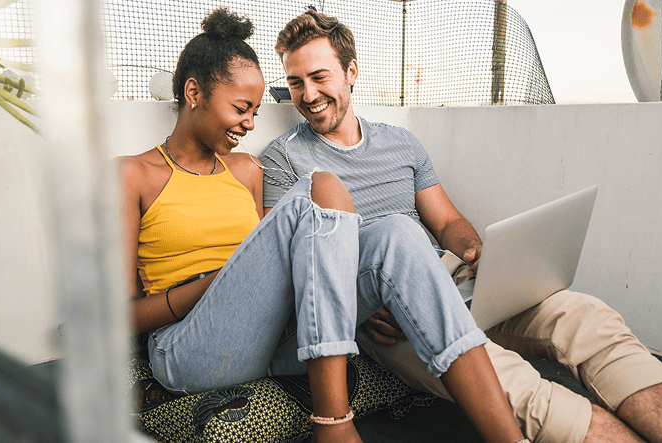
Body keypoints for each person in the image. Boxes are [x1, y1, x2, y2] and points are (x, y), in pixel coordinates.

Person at [259, 8, 662, 443]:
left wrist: (475, 252)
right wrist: (364, 306)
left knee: (587, 318)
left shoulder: (401, 143)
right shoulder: (283, 159)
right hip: (385, 312)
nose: (308, 95)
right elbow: (299, 265)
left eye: (319, 77)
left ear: (351, 72)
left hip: (454, 278)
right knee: (520, 384)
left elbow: (447, 220)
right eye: (295, 82)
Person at [120, 8, 525, 443]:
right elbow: (121, 317)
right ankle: (333, 422)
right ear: (194, 91)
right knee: (322, 186)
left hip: (272, 340)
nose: (250, 125)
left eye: (256, 111)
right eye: (241, 108)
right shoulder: (132, 175)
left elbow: (276, 268)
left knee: (397, 233)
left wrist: (243, 280)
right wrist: (216, 284)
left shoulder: (247, 171)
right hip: (188, 347)